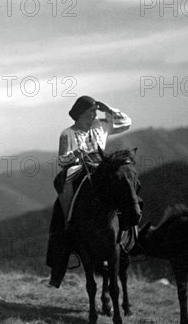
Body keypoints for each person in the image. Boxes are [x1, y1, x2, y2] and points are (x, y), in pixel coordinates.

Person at [47, 95, 132, 288]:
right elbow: (61, 160)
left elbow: (126, 122)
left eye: (95, 110)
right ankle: (68, 230)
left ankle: (130, 227)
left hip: (101, 169)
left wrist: (108, 109)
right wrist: (75, 155)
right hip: (77, 169)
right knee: (60, 210)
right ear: (82, 114)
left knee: (126, 183)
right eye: (91, 110)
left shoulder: (102, 125)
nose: (95, 113)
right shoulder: (67, 133)